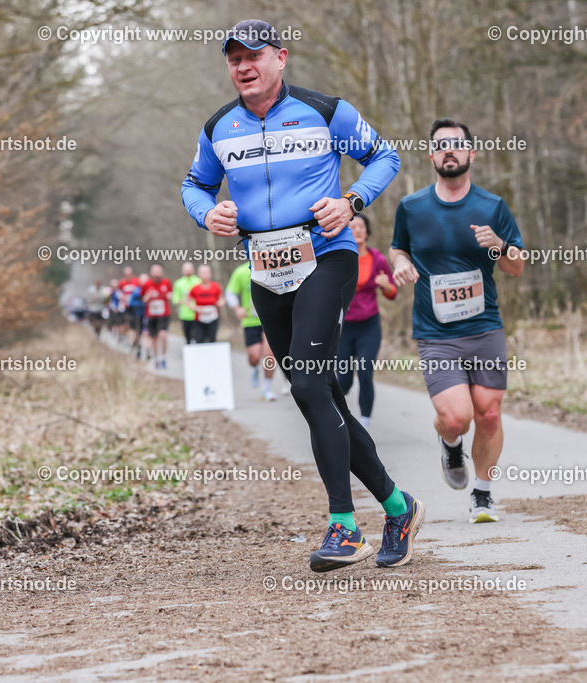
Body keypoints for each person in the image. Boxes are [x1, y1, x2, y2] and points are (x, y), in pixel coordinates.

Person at [181, 19, 423, 572]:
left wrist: (352, 201)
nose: (243, 66)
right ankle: (397, 505)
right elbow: (194, 184)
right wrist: (206, 212)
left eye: (253, 55)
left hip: (327, 255)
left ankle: (344, 526)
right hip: (265, 265)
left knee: (312, 383)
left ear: (280, 57)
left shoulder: (326, 111)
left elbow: (385, 156)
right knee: (320, 397)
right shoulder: (218, 126)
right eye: (233, 58)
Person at [390, 118, 525, 524]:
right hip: (437, 333)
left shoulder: (492, 207)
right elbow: (398, 249)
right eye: (441, 145)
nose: (449, 150)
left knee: (489, 413)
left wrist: (500, 246)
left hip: (484, 327)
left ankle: (482, 494)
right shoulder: (411, 207)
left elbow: (517, 267)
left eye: (457, 144)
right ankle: (449, 441)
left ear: (470, 153)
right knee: (457, 417)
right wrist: (400, 265)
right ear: (432, 156)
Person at [337, 215, 396, 430]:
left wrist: (387, 286)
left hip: (369, 326)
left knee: (364, 372)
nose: (358, 230)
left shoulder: (378, 259)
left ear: (367, 231)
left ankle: (365, 423)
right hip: (344, 327)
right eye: (352, 227)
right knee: (343, 379)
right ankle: (338, 419)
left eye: (361, 226)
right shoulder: (339, 259)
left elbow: (392, 292)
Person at [226, 262, 278, 401]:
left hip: (270, 319)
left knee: (269, 355)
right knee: (254, 357)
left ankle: (266, 389)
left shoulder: (272, 265)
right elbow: (230, 292)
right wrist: (237, 308)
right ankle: (255, 369)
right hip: (250, 321)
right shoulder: (241, 271)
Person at [140, 264, 172, 369]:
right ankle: (156, 358)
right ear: (151, 272)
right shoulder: (147, 284)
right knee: (154, 338)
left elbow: (171, 294)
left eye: (159, 271)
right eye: (155, 271)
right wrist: (148, 298)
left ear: (162, 272)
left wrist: (169, 296)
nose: (157, 274)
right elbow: (143, 299)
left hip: (164, 314)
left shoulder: (166, 282)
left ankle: (163, 357)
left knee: (163, 335)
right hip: (151, 315)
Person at [187, 264, 224, 343]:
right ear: (198, 275)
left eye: (206, 273)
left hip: (213, 317)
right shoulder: (195, 288)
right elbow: (188, 302)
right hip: (199, 319)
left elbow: (222, 299)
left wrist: (220, 303)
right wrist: (196, 308)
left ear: (210, 274)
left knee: (212, 339)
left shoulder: (216, 286)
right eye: (202, 273)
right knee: (199, 340)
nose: (204, 275)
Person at [172, 262, 201, 344]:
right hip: (184, 314)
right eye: (186, 270)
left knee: (198, 336)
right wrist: (184, 301)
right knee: (187, 336)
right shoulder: (178, 283)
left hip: (197, 314)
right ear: (182, 271)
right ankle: (189, 353)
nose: (188, 272)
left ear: (193, 270)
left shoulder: (198, 281)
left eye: (190, 269)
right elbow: (175, 299)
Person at [128, 273, 150, 359]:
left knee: (147, 333)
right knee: (138, 333)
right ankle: (138, 348)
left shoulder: (150, 289)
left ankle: (148, 351)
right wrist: (141, 303)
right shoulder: (136, 290)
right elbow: (131, 303)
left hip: (149, 315)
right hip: (137, 315)